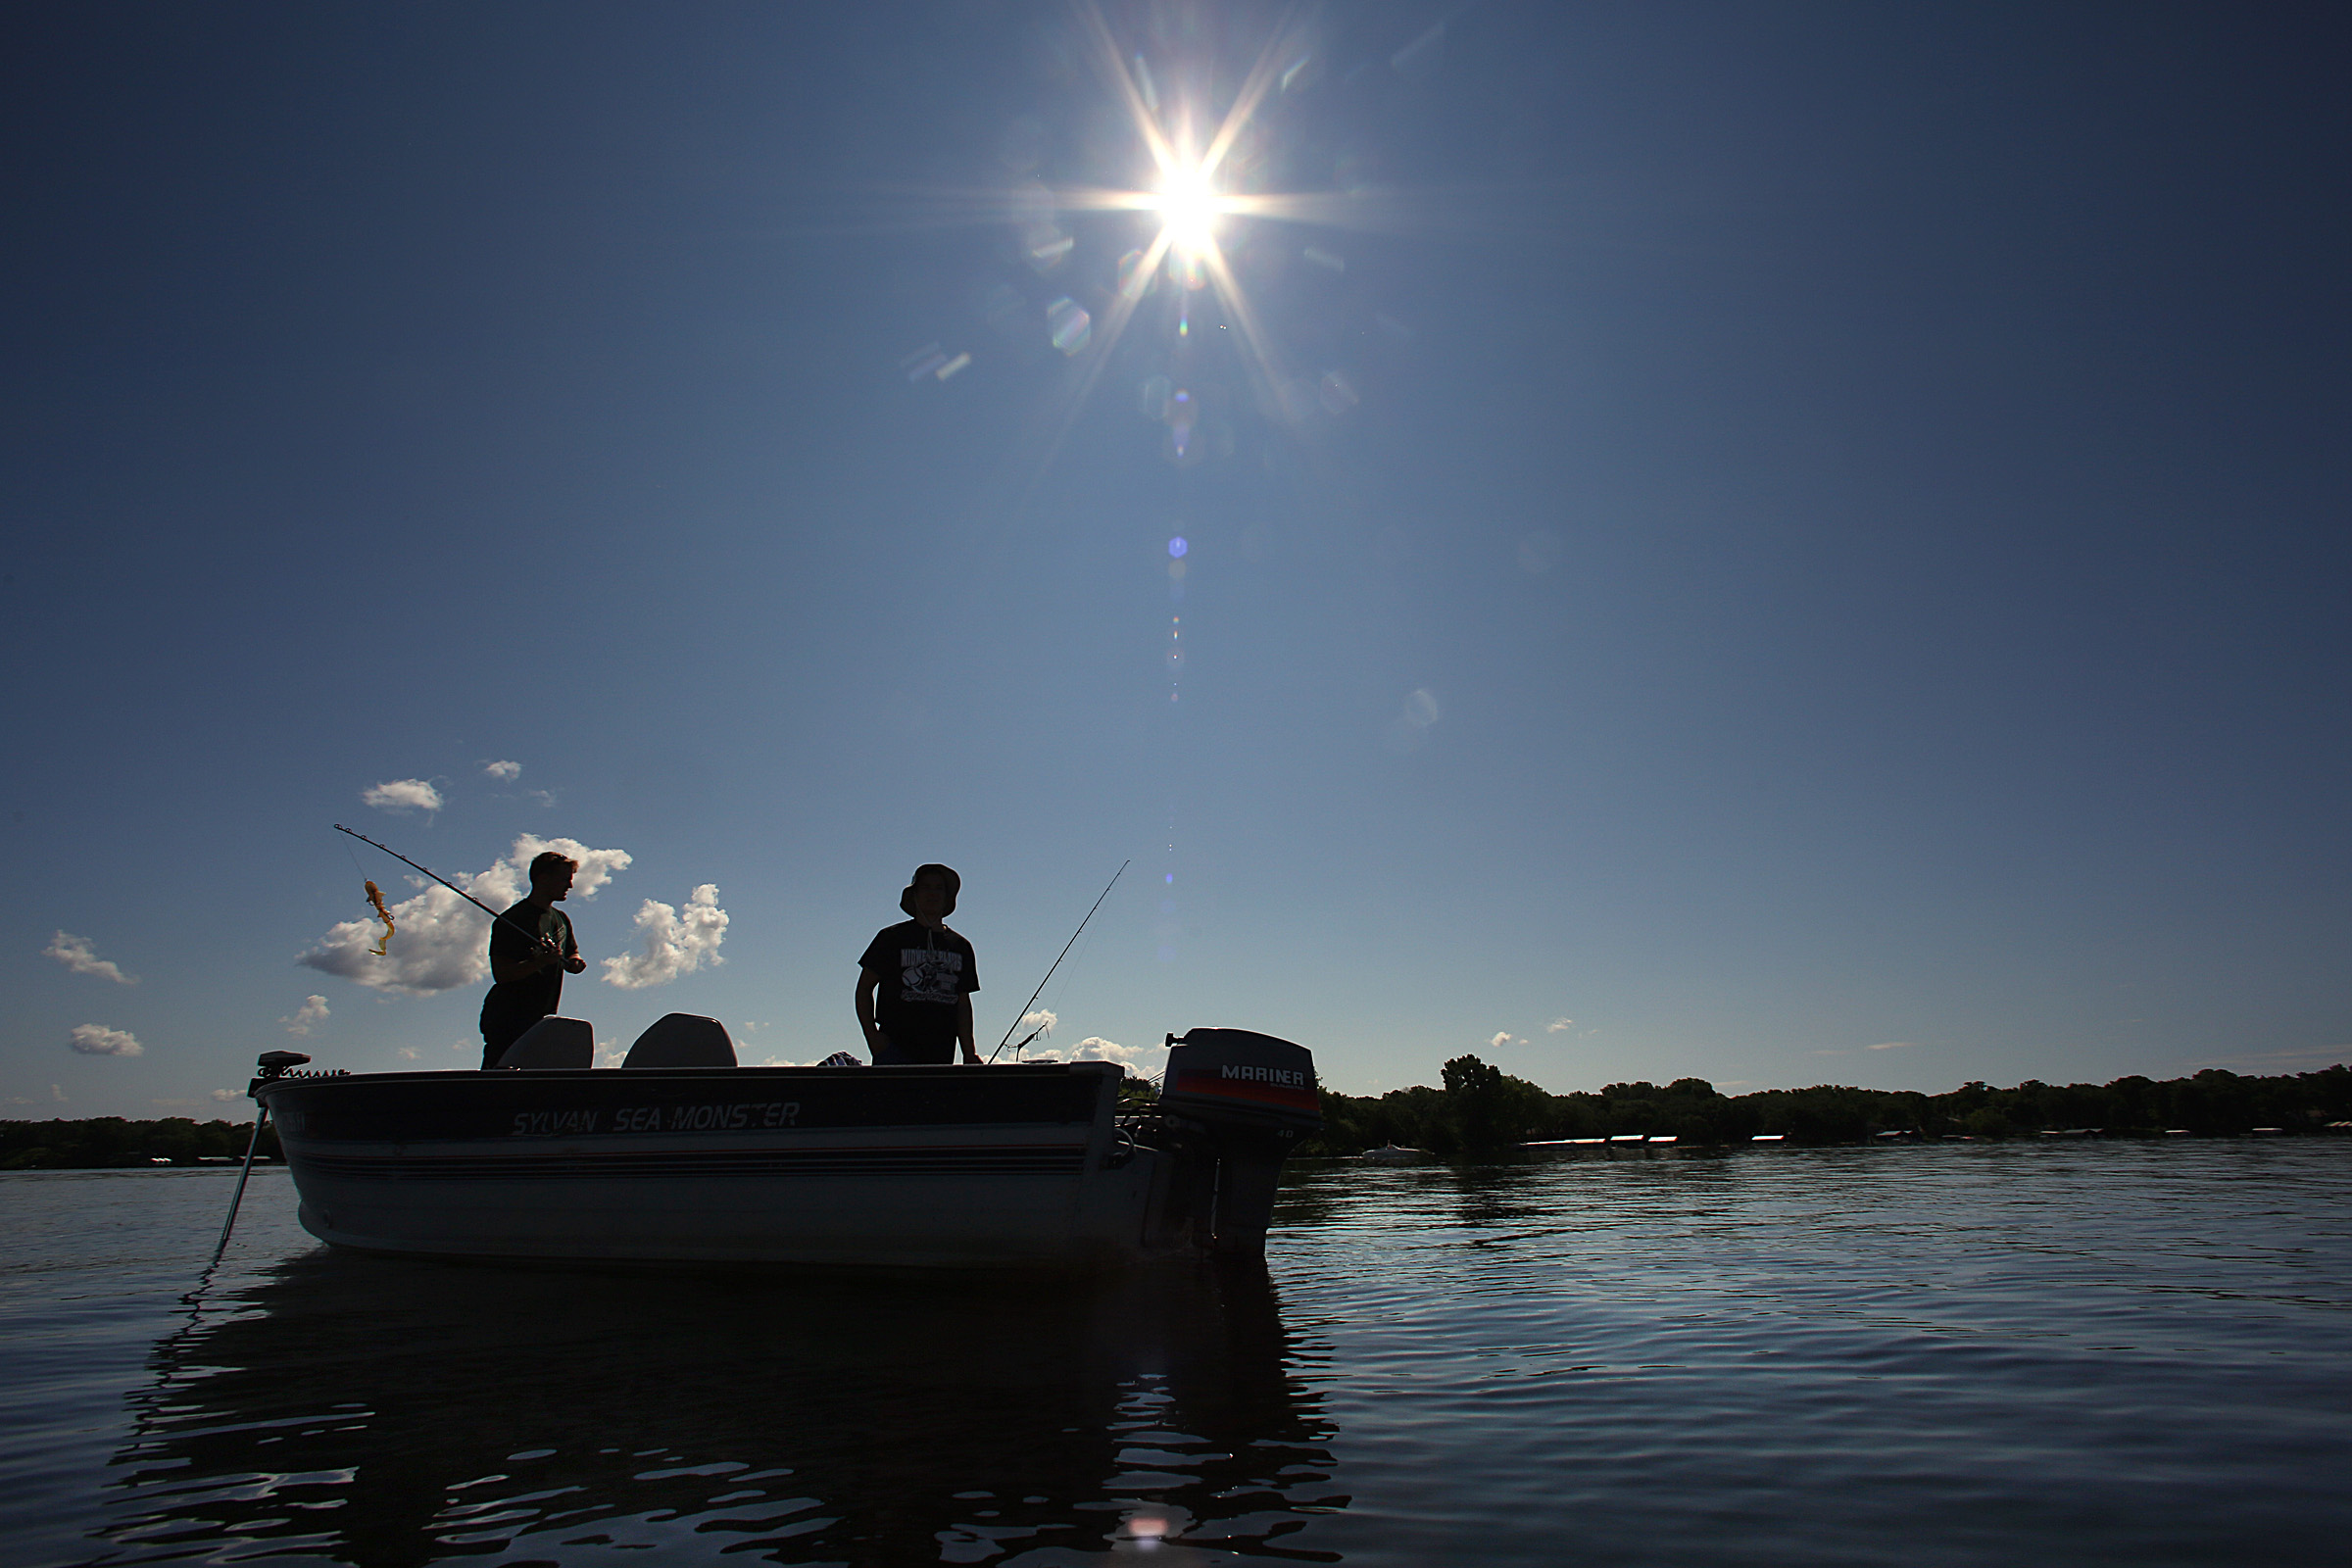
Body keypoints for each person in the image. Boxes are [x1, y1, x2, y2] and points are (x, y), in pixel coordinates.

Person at [856, 863, 981, 1065]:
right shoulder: (890, 938)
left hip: (941, 1051)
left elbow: (963, 1004)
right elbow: (863, 989)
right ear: (914, 895)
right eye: (926, 887)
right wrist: (873, 1037)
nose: (932, 894)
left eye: (939, 888)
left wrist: (969, 1052)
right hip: (894, 1049)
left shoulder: (960, 946)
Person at [478, 851, 588, 1068]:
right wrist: (539, 963)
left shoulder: (561, 919)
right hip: (507, 1018)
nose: (570, 885)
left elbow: (572, 953)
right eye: (564, 879)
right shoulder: (511, 919)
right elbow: (501, 974)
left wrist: (575, 962)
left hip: (542, 1017)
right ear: (543, 879)